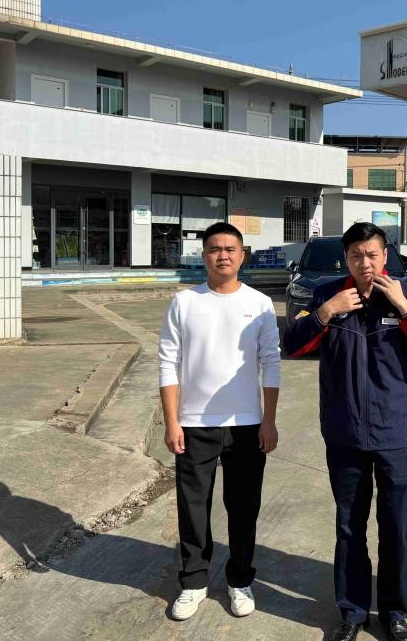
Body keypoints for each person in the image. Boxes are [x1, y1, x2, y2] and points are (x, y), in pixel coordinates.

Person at [284, 222, 407, 641]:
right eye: (356, 255)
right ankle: (353, 612)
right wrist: (327, 311)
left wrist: (404, 309)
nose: (365, 263)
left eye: (372, 255)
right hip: (344, 432)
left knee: (396, 527)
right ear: (346, 258)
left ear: (385, 256)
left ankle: (394, 611)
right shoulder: (328, 294)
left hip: (396, 432)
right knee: (349, 526)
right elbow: (293, 345)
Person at [158, 222, 280, 622]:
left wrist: (268, 421)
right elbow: (168, 363)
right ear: (204, 255)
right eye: (214, 249)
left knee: (244, 508)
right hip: (194, 424)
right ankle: (193, 582)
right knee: (192, 508)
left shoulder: (260, 304)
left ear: (242, 255)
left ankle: (240, 579)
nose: (222, 255)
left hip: (247, 424)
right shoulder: (184, 302)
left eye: (230, 249)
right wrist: (172, 421)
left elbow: (271, 363)